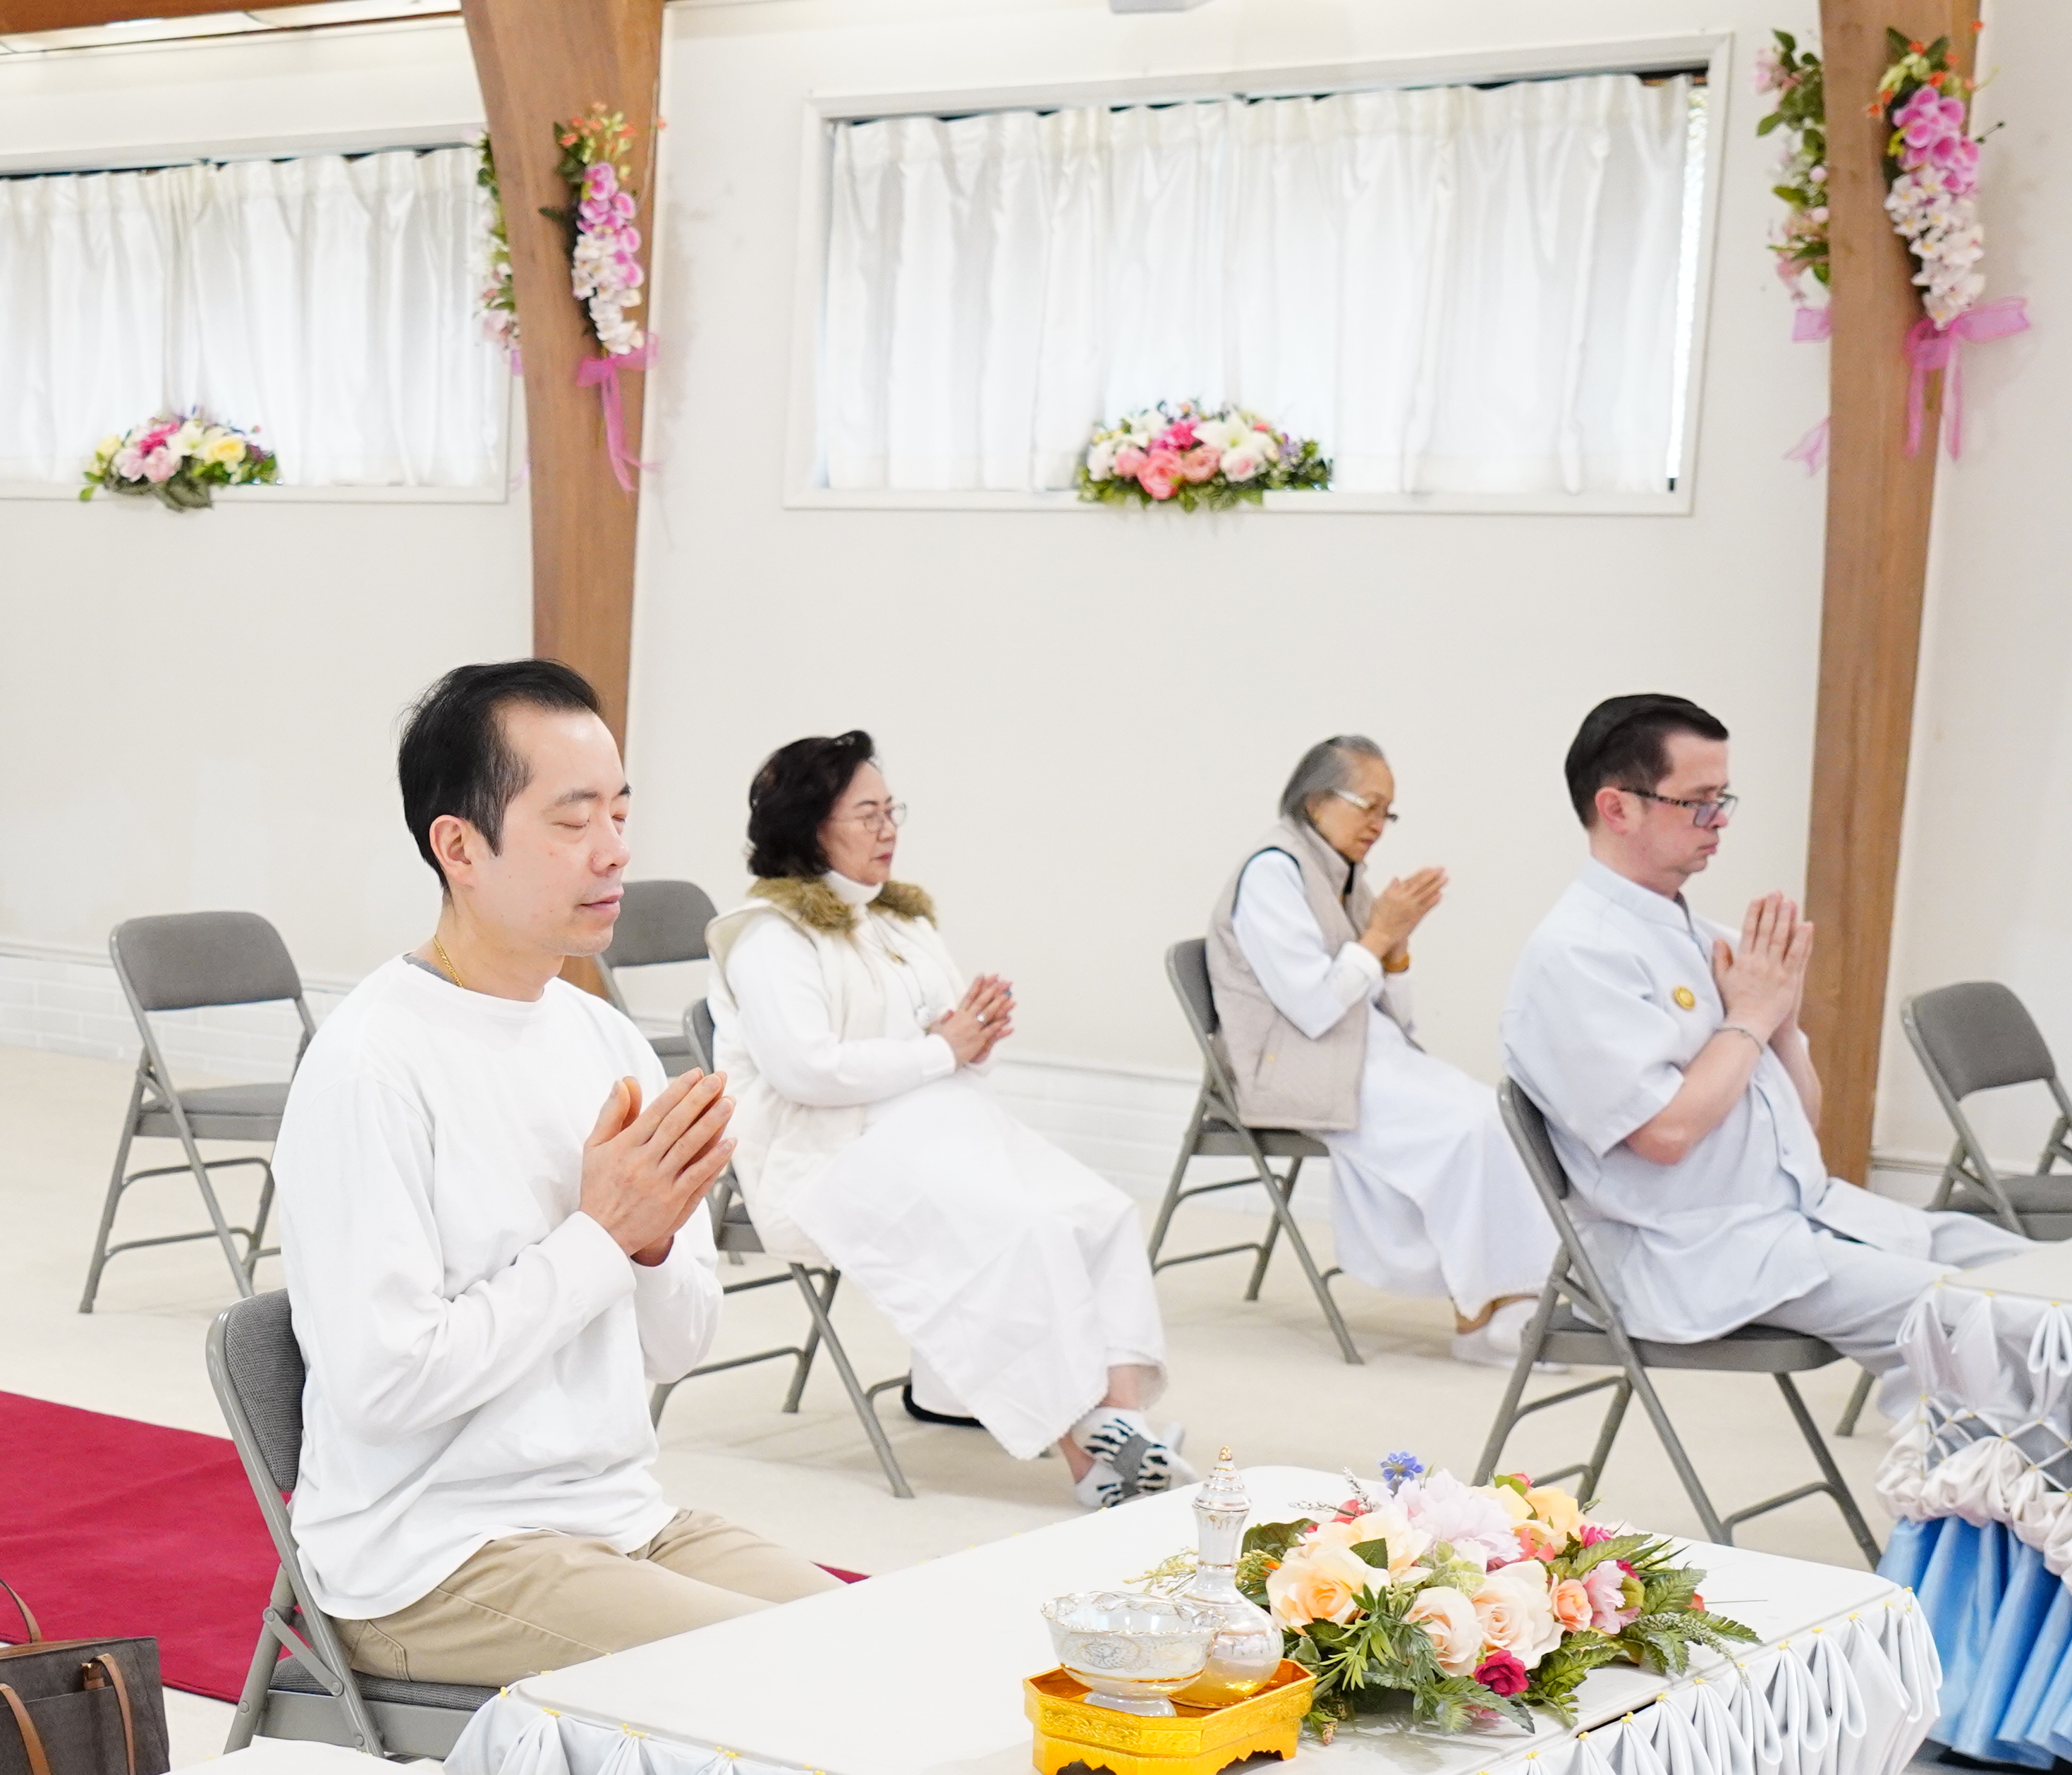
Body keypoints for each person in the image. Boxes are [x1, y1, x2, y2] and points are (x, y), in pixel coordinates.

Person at [274, 661, 839, 1687]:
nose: (615, 852)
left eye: (621, 814)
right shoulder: (373, 1064)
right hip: (435, 1558)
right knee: (783, 1682)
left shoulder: (606, 1039)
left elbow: (676, 1348)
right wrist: (599, 1239)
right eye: (573, 821)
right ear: (459, 847)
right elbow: (384, 1384)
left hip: (616, 1518)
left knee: (888, 1644)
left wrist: (657, 1241)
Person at [705, 731, 1186, 1503]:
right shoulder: (769, 937)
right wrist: (943, 1048)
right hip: (829, 1155)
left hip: (936, 1129)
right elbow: (809, 1071)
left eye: (892, 810)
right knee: (1024, 1236)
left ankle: (1123, 1434)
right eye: (867, 813)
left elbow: (946, 1039)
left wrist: (975, 1034)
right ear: (809, 824)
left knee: (1100, 1213)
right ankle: (1091, 1465)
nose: (889, 828)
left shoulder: (897, 920)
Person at [1501, 694, 2025, 1374]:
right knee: (2012, 1325)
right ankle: (2008, 1474)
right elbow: (1663, 1136)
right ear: (1618, 808)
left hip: (1804, 1216)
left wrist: (1781, 1024)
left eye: (1724, 798)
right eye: (1697, 801)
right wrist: (1750, 1017)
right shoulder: (1577, 956)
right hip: (1702, 1255)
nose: (1719, 821)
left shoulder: (1706, 938)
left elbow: (1802, 1126)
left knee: (2042, 1279)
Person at [1207, 734, 1558, 1365]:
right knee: (1463, 1129)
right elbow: (1313, 1008)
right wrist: (1377, 935)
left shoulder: (1342, 875)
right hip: (1294, 1066)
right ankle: (1481, 1312)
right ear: (1316, 801)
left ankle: (1509, 1298)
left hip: (1365, 1052)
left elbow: (1397, 1014)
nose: (1379, 825)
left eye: (1387, 811)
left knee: (1493, 1115)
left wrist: (1395, 947)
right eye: (1368, 806)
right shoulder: (1273, 872)